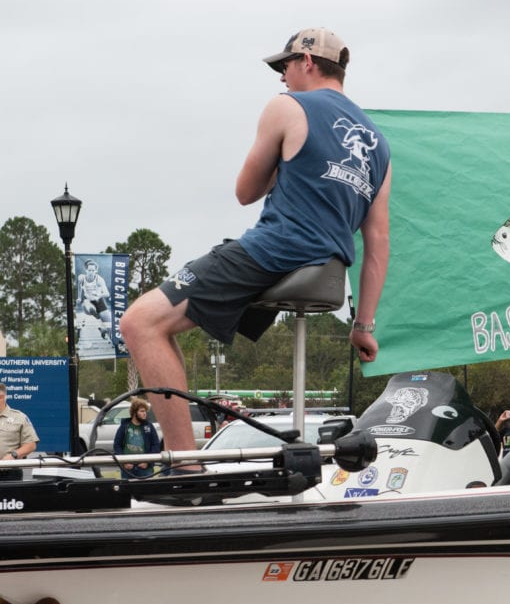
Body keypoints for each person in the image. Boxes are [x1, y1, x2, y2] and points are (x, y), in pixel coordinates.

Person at [120, 28, 392, 460]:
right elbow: (377, 243)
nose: (281, 77)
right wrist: (364, 326)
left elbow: (245, 191)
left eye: (284, 66)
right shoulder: (379, 144)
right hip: (328, 269)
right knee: (160, 320)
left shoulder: (287, 107)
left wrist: (285, 160)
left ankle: (184, 469)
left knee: (140, 323)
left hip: (277, 250)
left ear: (306, 62)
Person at [113, 398, 162, 478]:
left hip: (145, 469)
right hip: (128, 468)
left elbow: (156, 445)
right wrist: (124, 462)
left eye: (145, 411)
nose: (145, 413)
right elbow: (117, 445)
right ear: (134, 412)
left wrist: (147, 462)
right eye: (142, 411)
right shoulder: (124, 426)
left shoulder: (149, 426)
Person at [0, 382, 39, 481]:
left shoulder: (19, 417)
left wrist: (14, 455)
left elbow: (31, 444)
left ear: (2, 397)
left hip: (9, 473)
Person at [78, 258, 112, 323]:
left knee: (108, 323)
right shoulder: (82, 277)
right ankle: (92, 311)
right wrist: (79, 297)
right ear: (86, 270)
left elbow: (107, 293)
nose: (91, 272)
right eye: (89, 270)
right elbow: (79, 287)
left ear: (96, 270)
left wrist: (99, 295)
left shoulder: (99, 279)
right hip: (88, 300)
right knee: (86, 305)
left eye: (92, 270)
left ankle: (103, 329)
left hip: (98, 300)